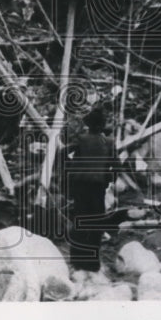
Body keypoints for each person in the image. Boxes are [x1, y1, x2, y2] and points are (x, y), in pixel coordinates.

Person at [66, 105, 118, 273]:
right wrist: (110, 178)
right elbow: (116, 165)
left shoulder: (81, 139)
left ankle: (77, 260)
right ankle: (92, 263)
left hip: (80, 187)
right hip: (97, 188)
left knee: (80, 221)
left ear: (88, 124)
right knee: (96, 223)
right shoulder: (108, 142)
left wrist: (70, 169)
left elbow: (63, 153)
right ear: (102, 126)